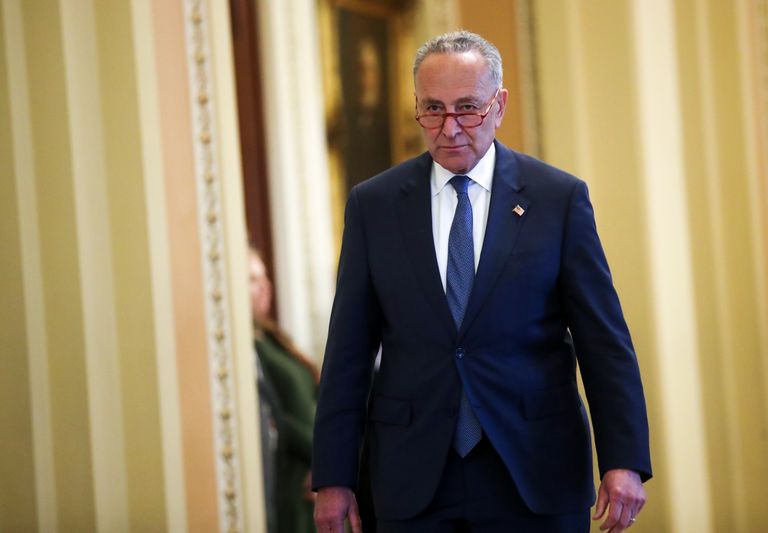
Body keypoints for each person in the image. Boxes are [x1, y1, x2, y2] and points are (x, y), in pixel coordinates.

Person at [312, 31, 651, 533]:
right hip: (414, 474)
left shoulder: (556, 198)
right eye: (433, 110)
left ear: (499, 105)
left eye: (467, 108)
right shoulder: (375, 205)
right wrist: (333, 477)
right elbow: (348, 352)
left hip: (535, 467)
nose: (450, 128)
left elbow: (604, 341)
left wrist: (623, 459)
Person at [249, 248, 319, 533]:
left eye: (264, 276)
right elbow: (273, 414)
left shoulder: (271, 337)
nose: (265, 286)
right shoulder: (246, 347)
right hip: (293, 479)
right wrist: (324, 459)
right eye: (252, 279)